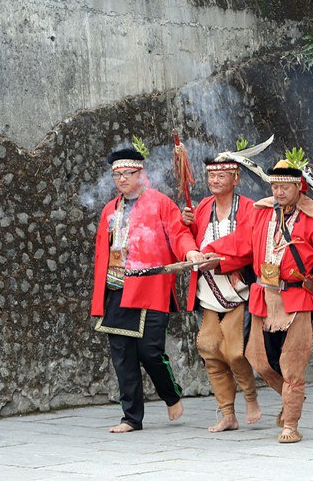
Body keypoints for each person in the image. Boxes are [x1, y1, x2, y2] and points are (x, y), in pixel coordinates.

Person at [201, 153, 313, 444]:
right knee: (258, 359)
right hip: (264, 296)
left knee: (292, 362)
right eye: (274, 187)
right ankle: (291, 394)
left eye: (285, 187)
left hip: (296, 298)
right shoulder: (261, 212)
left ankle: (291, 424)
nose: (278, 192)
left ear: (299, 187)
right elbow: (241, 242)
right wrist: (211, 251)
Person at [91, 145, 204, 433]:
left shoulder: (160, 203)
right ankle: (131, 417)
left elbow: (179, 233)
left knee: (150, 351)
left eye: (128, 173)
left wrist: (190, 252)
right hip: (117, 288)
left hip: (151, 285)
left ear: (141, 173)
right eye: (117, 175)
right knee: (123, 356)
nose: (122, 179)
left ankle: (170, 393)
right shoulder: (109, 210)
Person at [181, 156, 262, 432]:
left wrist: (219, 257)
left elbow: (249, 244)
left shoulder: (250, 209)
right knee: (209, 351)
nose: (214, 181)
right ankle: (228, 413)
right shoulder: (203, 206)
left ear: (235, 179)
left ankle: (251, 398)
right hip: (208, 292)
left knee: (236, 353)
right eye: (211, 176)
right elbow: (189, 235)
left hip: (237, 291)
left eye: (221, 176)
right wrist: (188, 236)